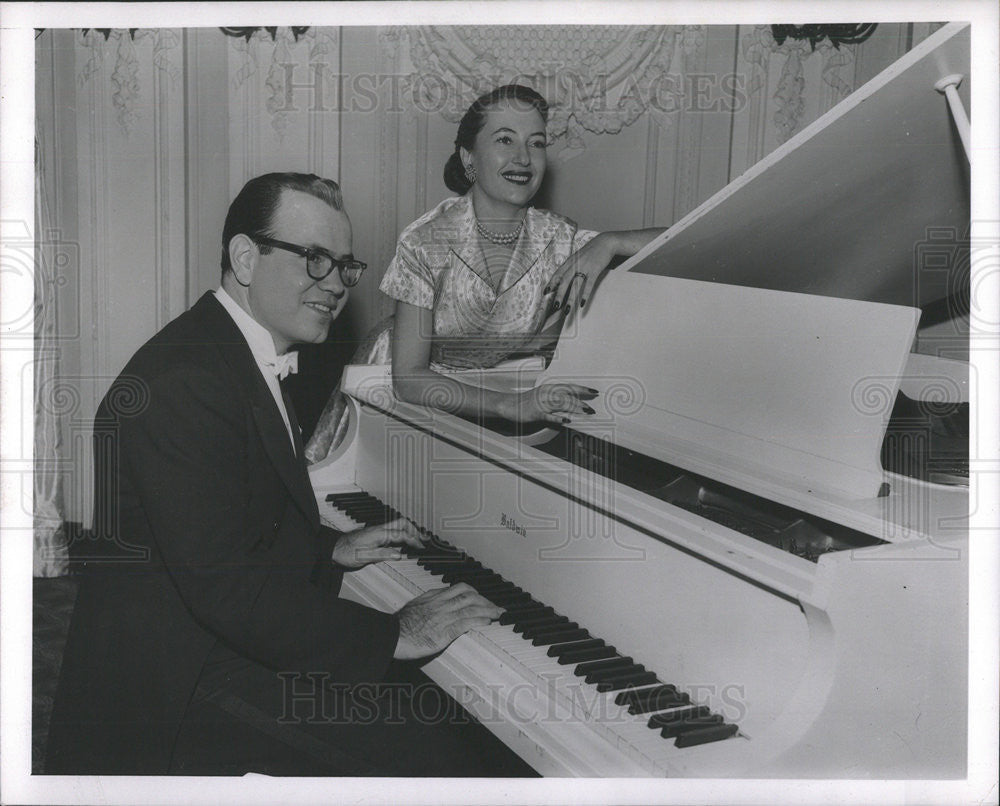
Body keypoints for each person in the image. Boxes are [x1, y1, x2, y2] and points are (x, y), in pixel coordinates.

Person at [44, 173, 535, 777]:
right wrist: (393, 632)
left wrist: (329, 546)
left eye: (344, 267)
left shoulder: (229, 349)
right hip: (181, 686)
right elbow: (226, 590)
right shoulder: (183, 384)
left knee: (432, 722)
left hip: (209, 640)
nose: (335, 286)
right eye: (315, 260)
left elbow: (232, 522)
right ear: (245, 258)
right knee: (433, 750)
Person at [306, 84, 663, 464]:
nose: (523, 158)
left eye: (537, 143)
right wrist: (512, 406)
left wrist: (610, 242)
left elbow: (689, 242)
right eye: (505, 140)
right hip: (402, 392)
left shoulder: (560, 238)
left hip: (506, 395)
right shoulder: (425, 240)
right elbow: (409, 378)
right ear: (468, 157)